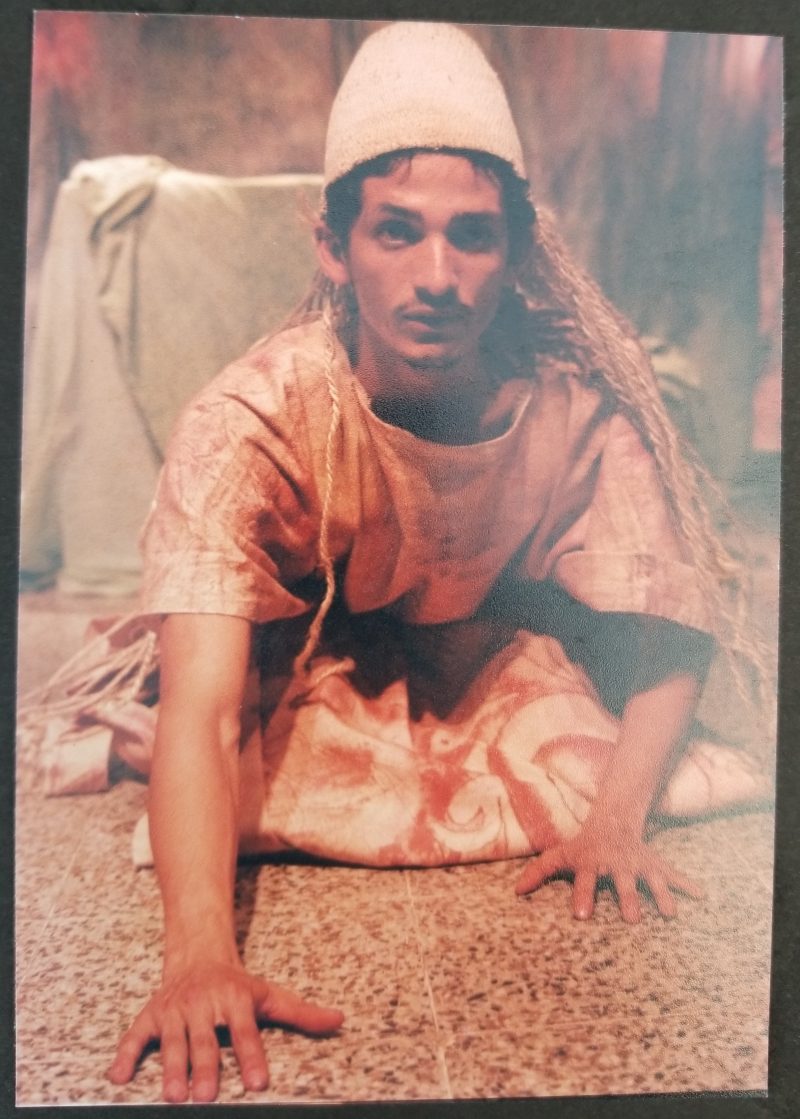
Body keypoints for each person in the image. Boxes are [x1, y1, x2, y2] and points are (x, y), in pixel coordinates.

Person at [104, 22, 770, 1104]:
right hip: (320, 665)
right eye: (396, 231)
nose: (435, 276)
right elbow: (204, 708)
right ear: (332, 246)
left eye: (472, 237)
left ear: (514, 254)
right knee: (240, 787)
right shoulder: (251, 418)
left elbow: (667, 629)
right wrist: (198, 960)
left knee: (639, 768)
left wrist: (612, 819)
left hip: (492, 655)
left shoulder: (573, 403)